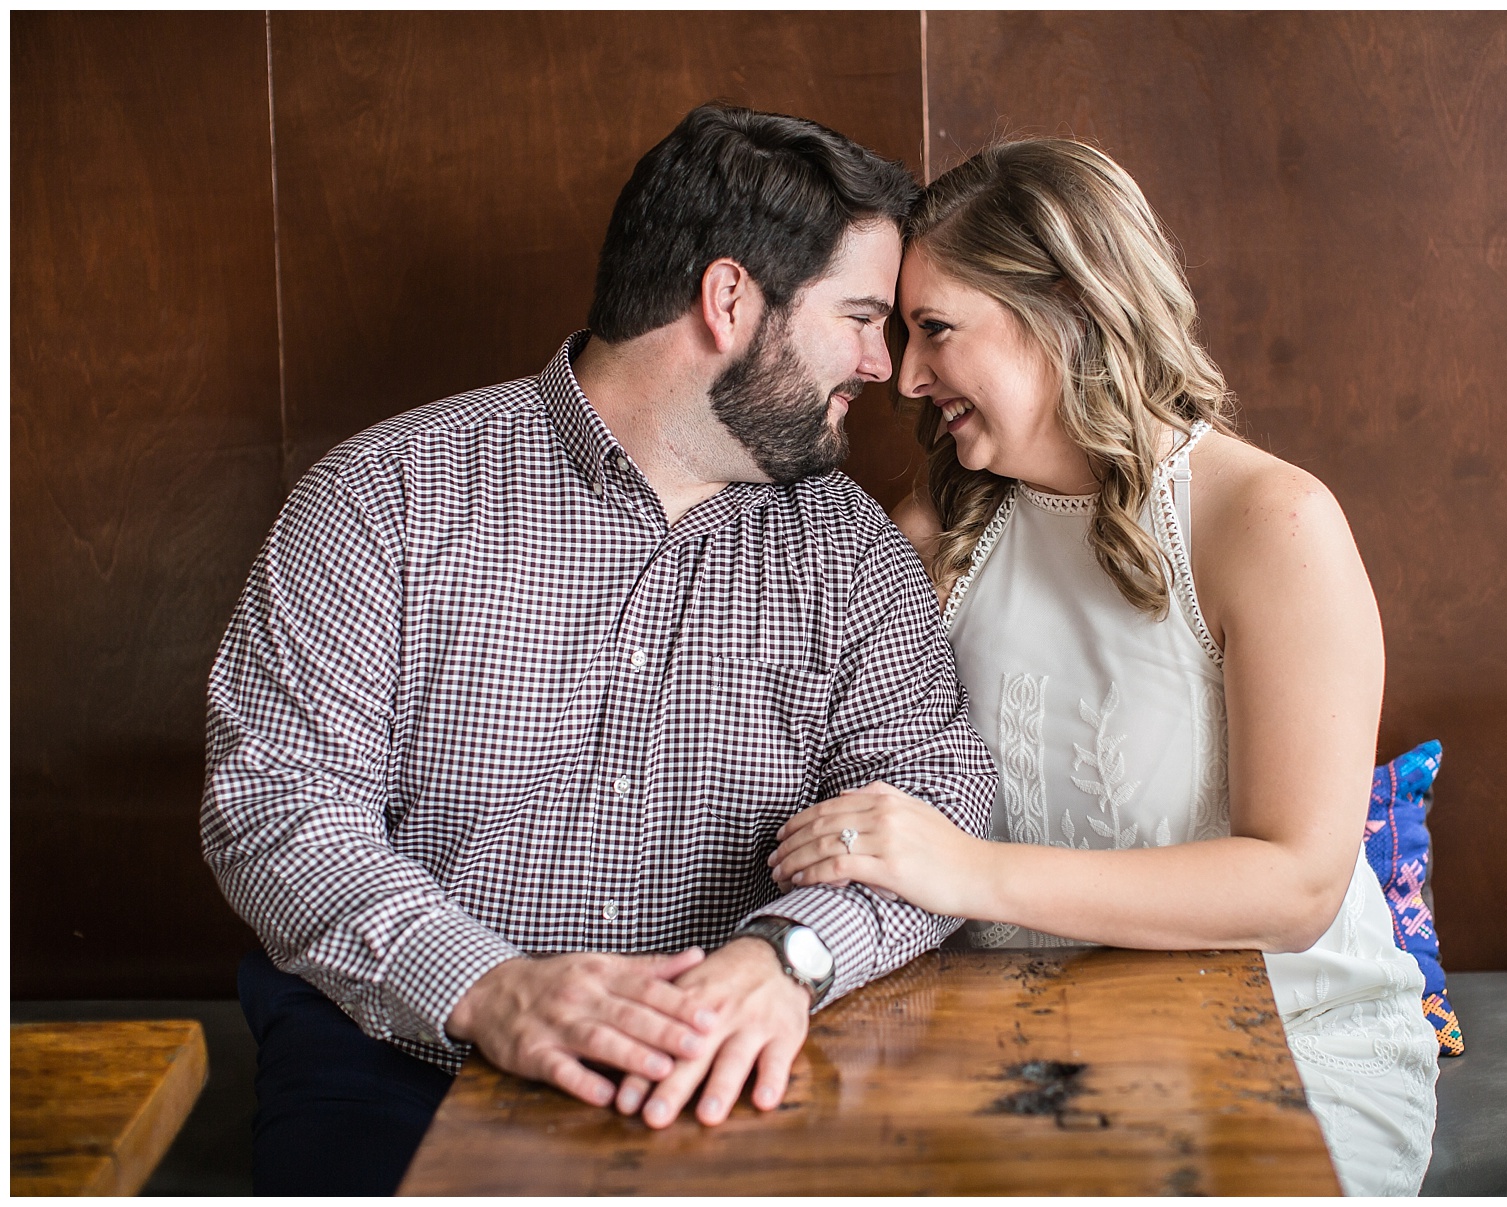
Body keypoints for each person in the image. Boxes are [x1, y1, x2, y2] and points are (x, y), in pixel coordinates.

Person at [201, 104, 996, 1195]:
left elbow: (939, 795)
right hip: (402, 1060)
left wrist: (786, 959)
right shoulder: (382, 498)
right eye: (862, 317)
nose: (886, 364)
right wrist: (489, 988)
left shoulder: (851, 554)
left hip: (742, 1067)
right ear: (729, 300)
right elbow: (277, 806)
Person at [768, 139, 1439, 1196]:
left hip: (1287, 1044)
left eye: (936, 329)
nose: (905, 374)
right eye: (901, 333)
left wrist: (969, 870)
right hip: (1016, 1046)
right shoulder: (935, 529)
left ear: (1067, 311)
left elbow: (1299, 883)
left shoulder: (1269, 521)